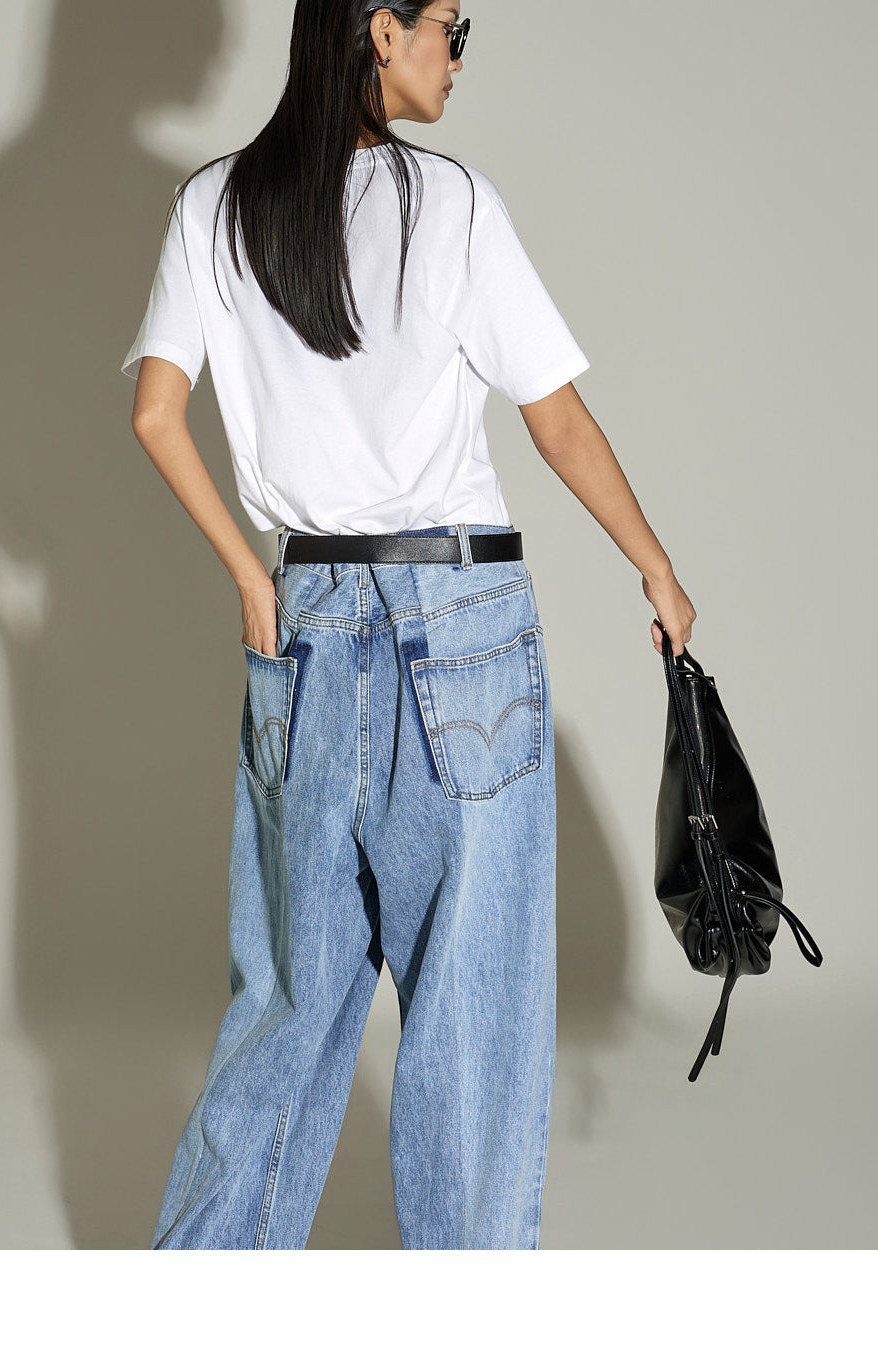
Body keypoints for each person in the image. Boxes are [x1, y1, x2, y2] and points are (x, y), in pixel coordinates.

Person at [121, 1, 696, 1250]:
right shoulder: (452, 204)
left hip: (304, 616)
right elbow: (554, 421)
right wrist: (654, 565)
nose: (458, 53)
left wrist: (252, 579)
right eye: (449, 25)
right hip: (463, 617)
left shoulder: (212, 204)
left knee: (287, 1001)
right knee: (472, 1016)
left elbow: (157, 416)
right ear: (380, 31)